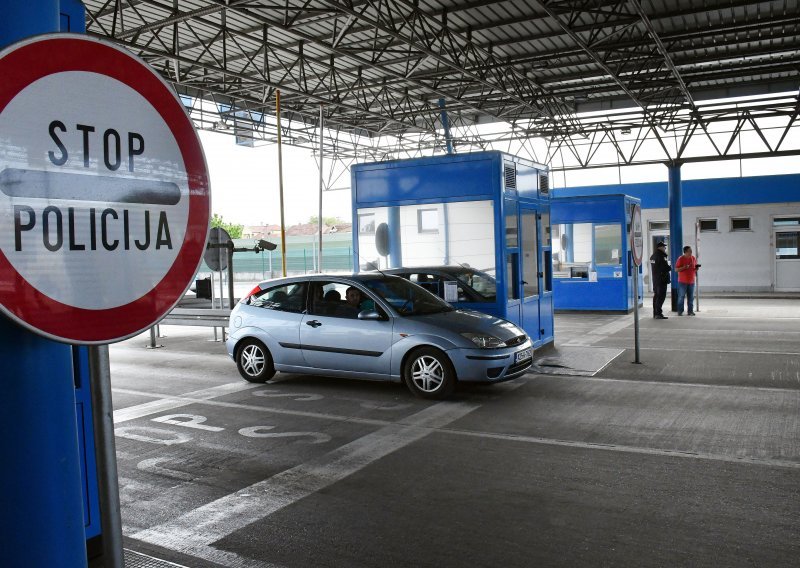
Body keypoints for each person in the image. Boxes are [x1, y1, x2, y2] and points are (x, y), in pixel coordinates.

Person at [675, 245, 700, 316]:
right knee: (681, 297)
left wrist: (696, 269)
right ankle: (680, 311)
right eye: (689, 251)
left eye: (691, 251)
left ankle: (690, 311)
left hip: (691, 281)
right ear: (685, 252)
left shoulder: (693, 258)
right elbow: (676, 269)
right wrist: (684, 267)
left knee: (691, 297)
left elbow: (693, 268)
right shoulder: (681, 259)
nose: (691, 252)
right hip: (682, 282)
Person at [649, 241, 670, 319]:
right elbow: (664, 267)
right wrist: (670, 267)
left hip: (656, 280)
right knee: (661, 297)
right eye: (664, 247)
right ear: (660, 247)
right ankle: (658, 314)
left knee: (656, 296)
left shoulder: (652, 256)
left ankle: (655, 313)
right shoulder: (661, 256)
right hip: (661, 280)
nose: (665, 248)